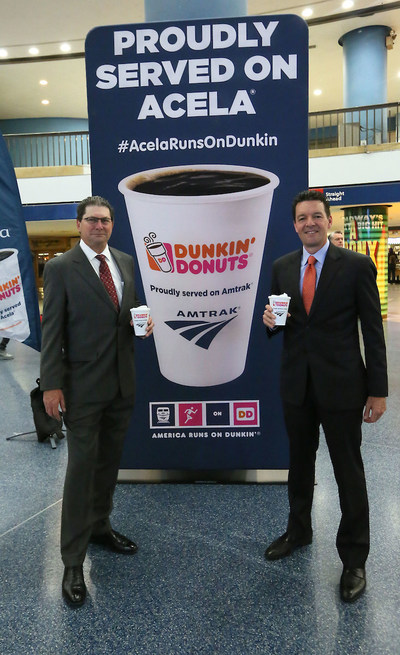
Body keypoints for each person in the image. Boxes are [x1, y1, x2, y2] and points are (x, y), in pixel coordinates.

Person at [262, 189, 387, 603]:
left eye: (317, 216)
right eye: (302, 218)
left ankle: (354, 558)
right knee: (299, 465)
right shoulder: (281, 268)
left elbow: (372, 331)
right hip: (297, 385)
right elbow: (280, 322)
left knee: (348, 470)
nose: (309, 223)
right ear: (294, 224)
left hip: (344, 387)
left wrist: (378, 391)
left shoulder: (355, 266)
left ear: (328, 221)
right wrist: (269, 322)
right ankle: (298, 530)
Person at [40, 195, 154, 608]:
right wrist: (51, 385)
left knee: (108, 463)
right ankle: (72, 559)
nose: (99, 226)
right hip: (82, 389)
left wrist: (142, 322)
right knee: (81, 470)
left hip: (122, 386)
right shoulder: (60, 268)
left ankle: (101, 527)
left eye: (105, 220)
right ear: (78, 224)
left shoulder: (124, 261)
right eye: (92, 220)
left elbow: (124, 313)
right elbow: (52, 332)